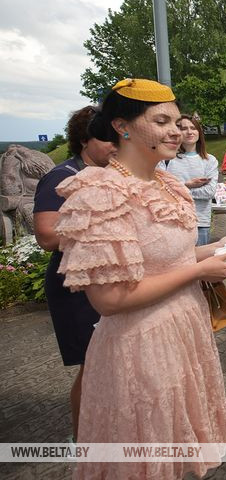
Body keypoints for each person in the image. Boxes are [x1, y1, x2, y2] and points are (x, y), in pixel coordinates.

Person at [54, 79, 226, 479]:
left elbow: (167, 259)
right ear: (123, 127)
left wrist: (218, 248)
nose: (175, 130)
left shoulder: (168, 184)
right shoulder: (100, 192)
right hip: (139, 345)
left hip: (185, 330)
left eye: (177, 121)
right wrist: (199, 270)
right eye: (161, 121)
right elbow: (110, 299)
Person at [32, 106, 116, 441]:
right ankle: (83, 441)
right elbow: (47, 236)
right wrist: (103, 227)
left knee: (106, 362)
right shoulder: (61, 175)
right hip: (74, 285)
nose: (114, 144)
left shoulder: (110, 175)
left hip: (103, 280)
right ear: (84, 139)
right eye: (105, 137)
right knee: (92, 365)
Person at [160, 115, 219, 245]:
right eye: (184, 128)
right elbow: (160, 189)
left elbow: (209, 192)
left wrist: (177, 190)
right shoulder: (166, 159)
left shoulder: (210, 161)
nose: (189, 132)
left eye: (193, 128)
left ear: (199, 132)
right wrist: (188, 185)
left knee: (200, 262)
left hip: (200, 222)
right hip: (172, 220)